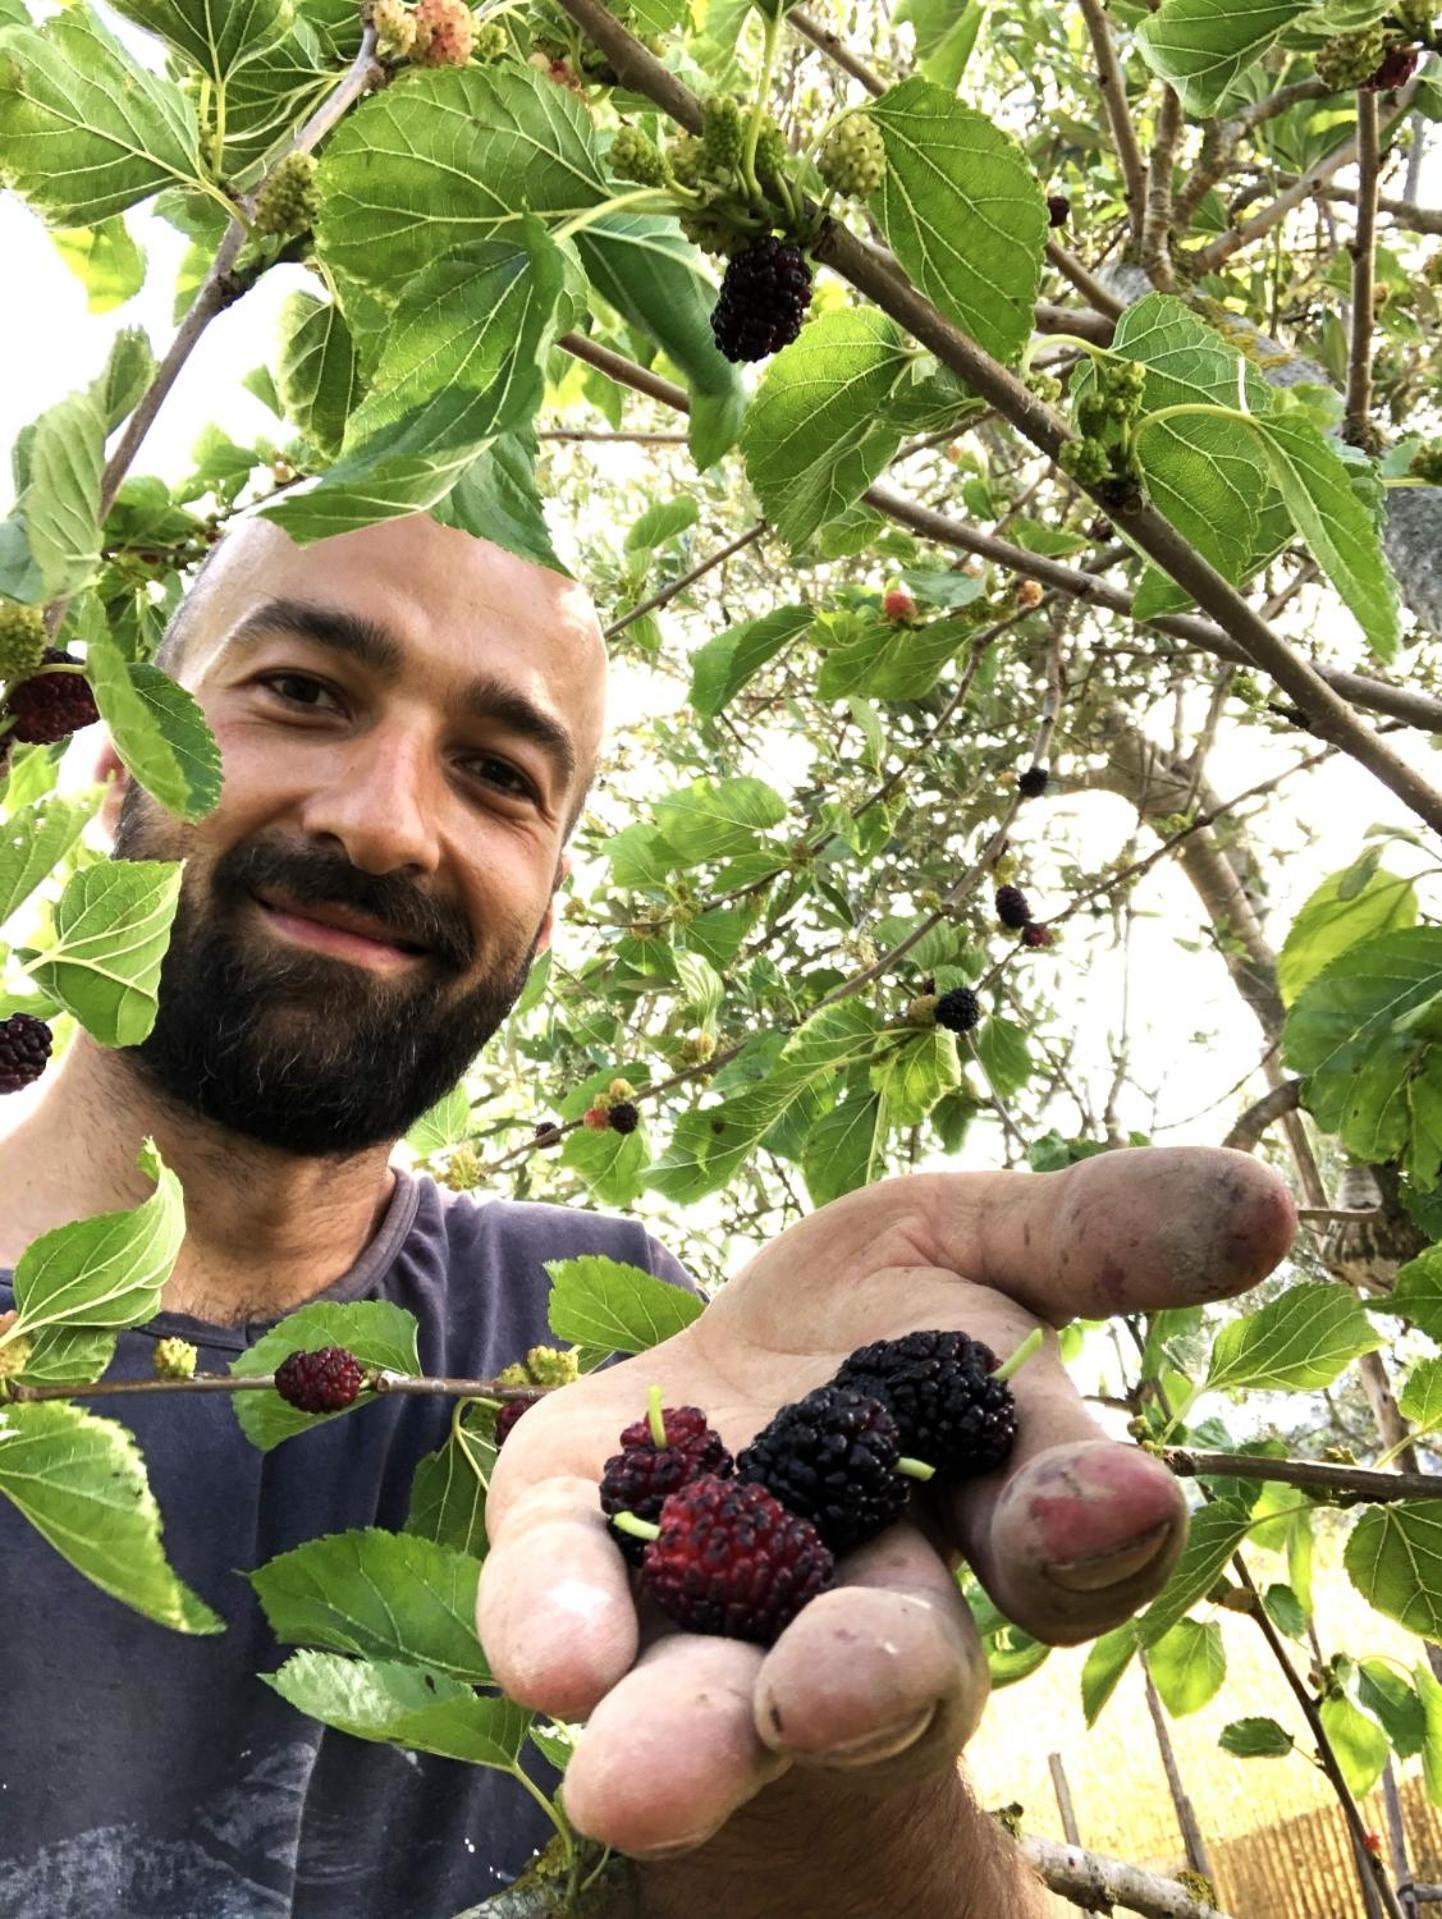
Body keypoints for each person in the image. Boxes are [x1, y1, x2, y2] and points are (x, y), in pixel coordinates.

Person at [0, 512, 1297, 1918]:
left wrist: (836, 1786)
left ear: (546, 914)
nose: (380, 820)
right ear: (115, 760)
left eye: (496, 775)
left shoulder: (617, 1337)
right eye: (303, 692)